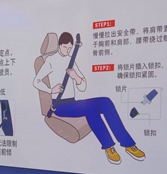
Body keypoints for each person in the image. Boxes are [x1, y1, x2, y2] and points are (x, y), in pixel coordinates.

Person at [33, 31, 146, 165]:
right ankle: (108, 147)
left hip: (72, 103)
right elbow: (36, 81)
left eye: (69, 48)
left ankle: (128, 144)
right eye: (64, 47)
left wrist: (76, 77)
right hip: (59, 106)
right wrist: (51, 90)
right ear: (59, 45)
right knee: (90, 107)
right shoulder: (50, 61)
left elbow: (83, 86)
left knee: (105, 102)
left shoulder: (71, 60)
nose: (67, 50)